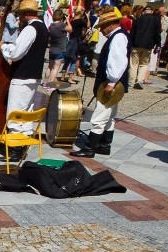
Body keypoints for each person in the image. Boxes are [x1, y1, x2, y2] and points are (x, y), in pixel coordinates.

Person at [0, 0, 48, 163]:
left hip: (23, 77)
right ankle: (22, 147)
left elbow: (16, 53)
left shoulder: (30, 28)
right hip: (34, 76)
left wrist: (3, 46)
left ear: (24, 13)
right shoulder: (42, 27)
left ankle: (15, 150)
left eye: (20, 14)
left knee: (15, 114)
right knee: (27, 113)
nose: (19, 17)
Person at [70, 9, 130, 159]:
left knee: (99, 116)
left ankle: (90, 147)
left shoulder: (118, 37)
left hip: (110, 83)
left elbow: (117, 61)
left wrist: (111, 82)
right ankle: (104, 145)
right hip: (113, 82)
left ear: (110, 24)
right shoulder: (119, 36)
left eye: (103, 27)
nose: (102, 31)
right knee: (109, 116)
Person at [129, 4, 160, 89]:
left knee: (133, 64)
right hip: (148, 45)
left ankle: (131, 82)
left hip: (136, 44)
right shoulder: (156, 20)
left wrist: (130, 42)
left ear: (143, 12)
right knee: (144, 64)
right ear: (152, 11)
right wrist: (158, 44)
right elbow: (157, 33)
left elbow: (132, 33)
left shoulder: (138, 19)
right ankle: (140, 80)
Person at [62, 7, 87, 82]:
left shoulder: (72, 21)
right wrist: (88, 17)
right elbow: (88, 25)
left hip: (71, 40)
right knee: (73, 59)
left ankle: (63, 76)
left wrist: (67, 20)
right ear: (81, 13)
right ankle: (70, 78)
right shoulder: (81, 21)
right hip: (76, 41)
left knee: (67, 59)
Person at [46, 9, 69, 83]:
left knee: (49, 67)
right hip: (60, 49)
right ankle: (51, 83)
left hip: (52, 49)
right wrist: (68, 21)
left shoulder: (51, 25)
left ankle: (46, 82)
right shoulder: (62, 25)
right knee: (55, 68)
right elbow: (70, 29)